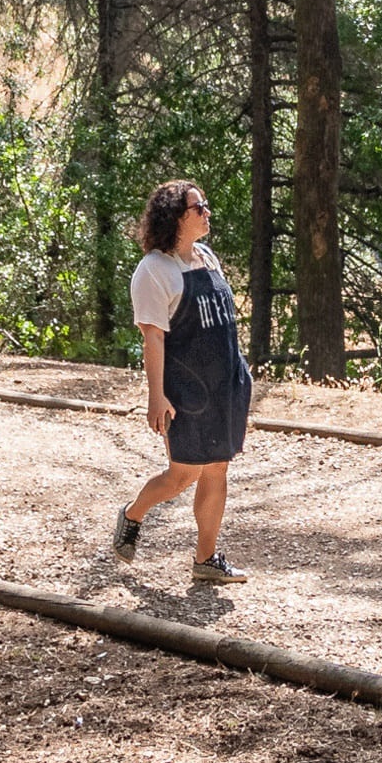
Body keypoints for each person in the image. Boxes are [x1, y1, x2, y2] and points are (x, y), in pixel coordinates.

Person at [110, 179, 253, 583]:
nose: (207, 212)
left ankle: (205, 560)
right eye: (199, 207)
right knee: (183, 474)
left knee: (216, 470)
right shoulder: (153, 271)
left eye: (204, 205)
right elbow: (153, 337)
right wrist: (156, 397)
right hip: (187, 392)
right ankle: (132, 514)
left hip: (226, 386)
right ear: (176, 217)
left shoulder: (206, 257)